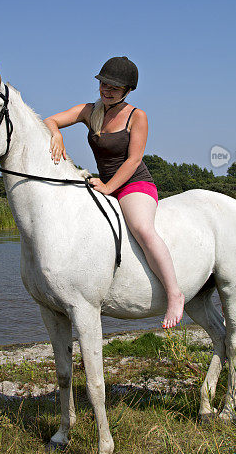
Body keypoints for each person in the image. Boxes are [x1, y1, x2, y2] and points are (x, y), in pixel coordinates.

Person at [43, 56, 185, 329]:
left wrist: (109, 187)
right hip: (103, 183)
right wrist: (57, 135)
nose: (106, 90)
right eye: (104, 84)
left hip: (134, 183)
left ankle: (174, 293)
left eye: (114, 88)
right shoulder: (89, 110)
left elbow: (133, 160)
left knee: (143, 229)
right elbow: (50, 120)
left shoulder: (137, 116)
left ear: (128, 90)